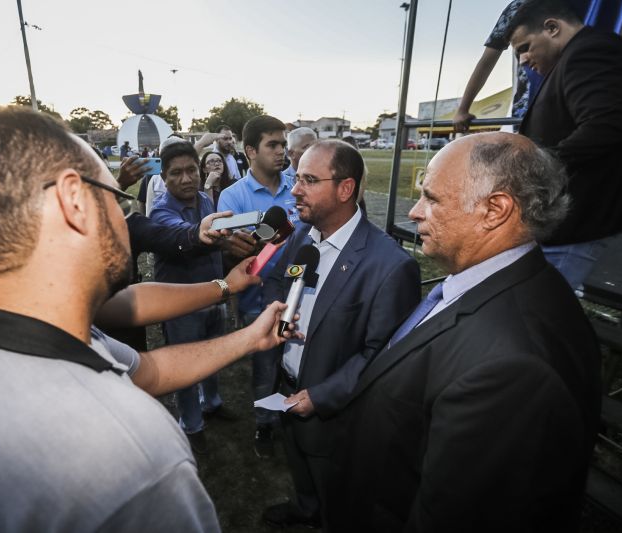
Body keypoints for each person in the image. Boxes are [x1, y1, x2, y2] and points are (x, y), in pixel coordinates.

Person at [0, 105, 295, 532]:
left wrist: (240, 321)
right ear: (73, 202)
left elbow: (147, 369)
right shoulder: (133, 455)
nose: (124, 217)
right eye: (117, 199)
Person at [322, 133, 601, 532]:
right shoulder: (488, 282)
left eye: (431, 199)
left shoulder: (515, 368)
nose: (415, 212)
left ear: (495, 210)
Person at [260, 140, 421, 528]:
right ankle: (306, 507)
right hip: (286, 388)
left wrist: (320, 396)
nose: (295, 190)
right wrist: (281, 330)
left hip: (337, 416)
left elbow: (381, 357)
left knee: (343, 499)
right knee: (300, 464)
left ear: (345, 189)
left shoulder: (391, 267)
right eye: (296, 178)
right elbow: (284, 288)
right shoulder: (302, 234)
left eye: (309, 180)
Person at [508, 0, 622, 289]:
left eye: (525, 47)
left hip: (579, 222)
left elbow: (604, 126)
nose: (523, 60)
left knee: (539, 316)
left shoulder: (591, 50)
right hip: (564, 222)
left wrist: (532, 166)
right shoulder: (572, 58)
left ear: (552, 28)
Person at [217, 115, 301, 458]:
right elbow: (229, 251)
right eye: (273, 145)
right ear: (250, 150)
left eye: (284, 144)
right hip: (258, 300)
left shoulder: (299, 184)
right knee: (265, 368)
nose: (282, 151)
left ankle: (296, 416)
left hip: (303, 293)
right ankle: (265, 424)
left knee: (298, 363)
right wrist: (235, 245)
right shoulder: (232, 197)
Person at [151, 142, 237, 453]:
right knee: (186, 368)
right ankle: (191, 424)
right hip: (181, 307)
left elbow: (218, 240)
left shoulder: (204, 199)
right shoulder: (161, 211)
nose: (186, 178)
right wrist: (206, 234)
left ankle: (211, 403)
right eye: (176, 173)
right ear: (164, 177)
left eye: (191, 170)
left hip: (215, 297)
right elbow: (184, 234)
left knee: (212, 358)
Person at [453, 0, 622, 133]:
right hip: (534, 104)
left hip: (594, 93)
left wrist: (580, 37)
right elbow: (487, 61)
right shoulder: (516, 8)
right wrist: (463, 107)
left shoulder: (594, 5)